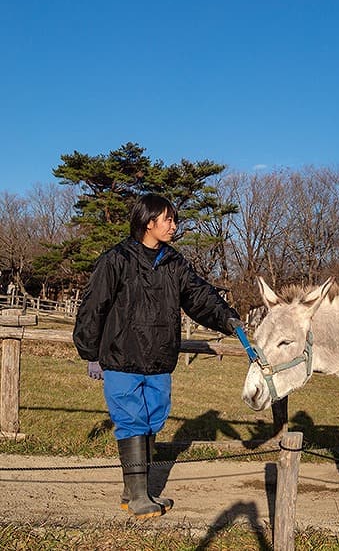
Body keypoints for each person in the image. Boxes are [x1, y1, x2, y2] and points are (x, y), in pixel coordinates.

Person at [73, 193, 243, 519]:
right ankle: (138, 498)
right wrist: (90, 352)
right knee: (131, 419)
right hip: (122, 357)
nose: (173, 225)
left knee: (153, 420)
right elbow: (93, 307)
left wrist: (227, 317)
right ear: (149, 221)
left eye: (173, 219)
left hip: (160, 359)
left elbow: (199, 295)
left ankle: (135, 490)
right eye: (168, 219)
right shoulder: (116, 260)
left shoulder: (174, 263)